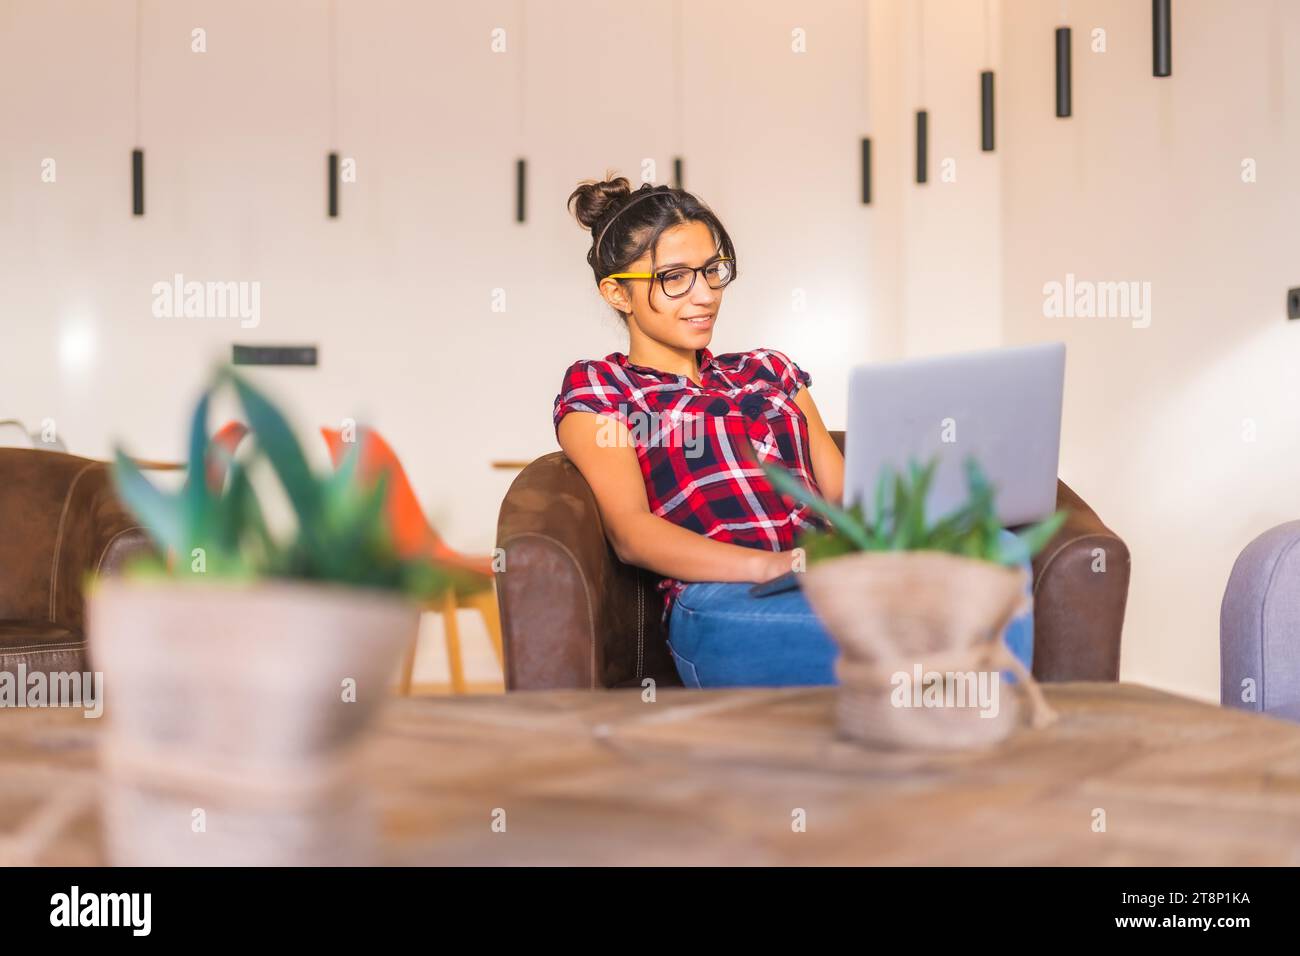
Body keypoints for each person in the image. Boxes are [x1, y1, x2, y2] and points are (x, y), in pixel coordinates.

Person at [553, 173, 1033, 688]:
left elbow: (846, 497)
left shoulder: (769, 369)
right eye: (675, 277)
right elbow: (631, 533)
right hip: (726, 596)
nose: (705, 295)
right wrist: (770, 566)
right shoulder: (603, 386)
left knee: (1001, 551)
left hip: (831, 576)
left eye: (713, 270)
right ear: (617, 293)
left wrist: (915, 532)